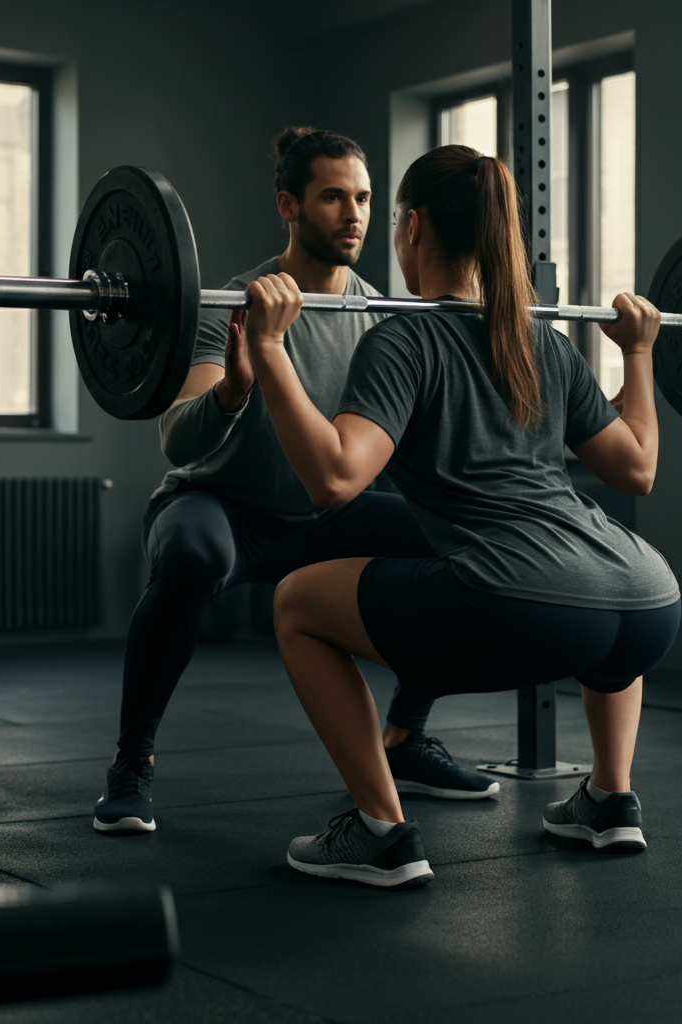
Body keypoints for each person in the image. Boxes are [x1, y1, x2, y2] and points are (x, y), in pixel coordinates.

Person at [235, 144, 682, 889]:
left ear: (410, 228)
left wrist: (271, 347)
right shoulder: (546, 340)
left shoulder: (404, 339)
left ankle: (380, 831)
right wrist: (639, 354)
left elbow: (335, 479)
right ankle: (609, 796)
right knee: (598, 583)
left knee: (296, 602)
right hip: (648, 603)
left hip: (519, 608)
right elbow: (636, 468)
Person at [93, 129, 499, 835]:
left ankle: (405, 737)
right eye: (333, 196)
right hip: (221, 507)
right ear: (289, 203)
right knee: (190, 557)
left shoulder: (383, 318)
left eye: (366, 197)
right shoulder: (229, 304)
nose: (354, 214)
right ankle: (132, 763)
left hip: (326, 517)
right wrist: (233, 391)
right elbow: (175, 437)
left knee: (454, 539)